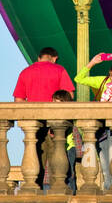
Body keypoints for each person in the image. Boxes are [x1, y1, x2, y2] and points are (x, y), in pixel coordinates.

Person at [13, 47, 76, 190]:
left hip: (34, 125)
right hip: (56, 126)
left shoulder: (25, 72)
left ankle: (35, 192)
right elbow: (69, 96)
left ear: (38, 58)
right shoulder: (59, 70)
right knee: (59, 166)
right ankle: (59, 194)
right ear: (54, 58)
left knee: (36, 163)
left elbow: (18, 101)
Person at [75, 51, 112, 191]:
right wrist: (93, 62)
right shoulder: (103, 80)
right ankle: (108, 191)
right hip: (102, 129)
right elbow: (79, 78)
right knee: (104, 165)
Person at [48, 89, 82, 195]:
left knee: (70, 171)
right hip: (57, 147)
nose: (55, 105)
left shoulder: (68, 117)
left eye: (58, 102)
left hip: (69, 147)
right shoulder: (51, 116)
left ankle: (72, 191)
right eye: (54, 102)